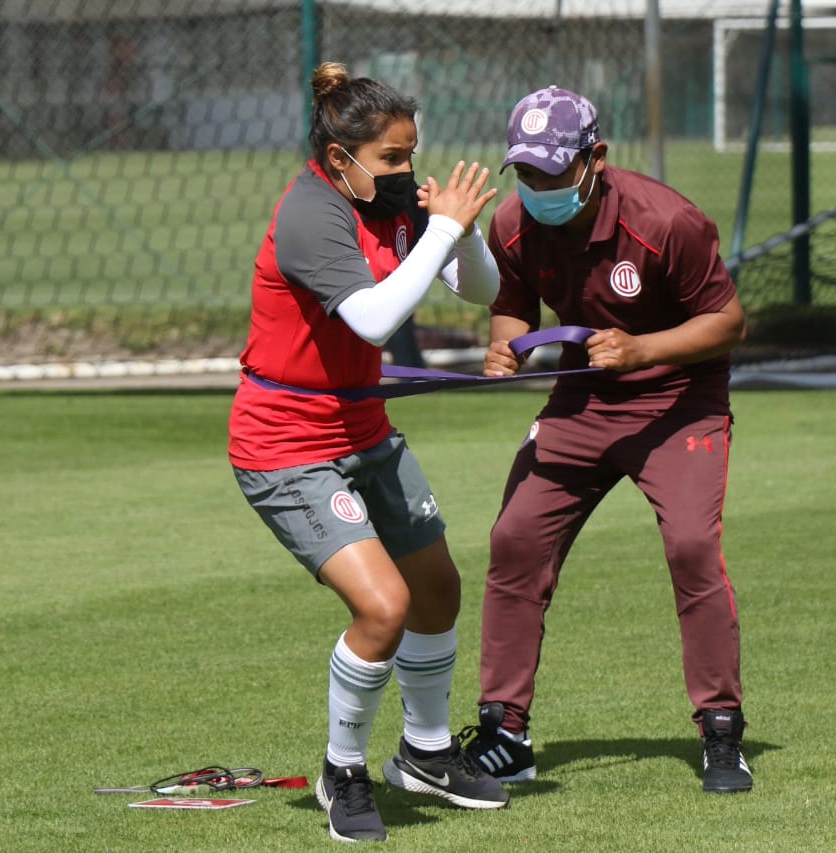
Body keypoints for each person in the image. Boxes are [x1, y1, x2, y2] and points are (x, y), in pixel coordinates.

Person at [228, 61, 508, 843]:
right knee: (383, 607)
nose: (406, 171)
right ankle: (342, 769)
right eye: (390, 158)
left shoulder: (385, 202)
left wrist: (465, 229)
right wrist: (441, 231)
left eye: (411, 154)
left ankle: (425, 753)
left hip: (365, 431)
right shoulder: (312, 214)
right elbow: (377, 320)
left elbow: (479, 291)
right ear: (338, 154)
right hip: (286, 445)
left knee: (438, 590)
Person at [458, 85, 753, 794]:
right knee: (515, 538)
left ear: (596, 159)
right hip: (584, 400)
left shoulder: (668, 220)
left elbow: (729, 321)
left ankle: (721, 729)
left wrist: (642, 349)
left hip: (680, 402)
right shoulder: (513, 221)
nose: (537, 189)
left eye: (552, 174)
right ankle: (505, 731)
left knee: (690, 546)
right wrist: (507, 351)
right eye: (525, 174)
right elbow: (511, 307)